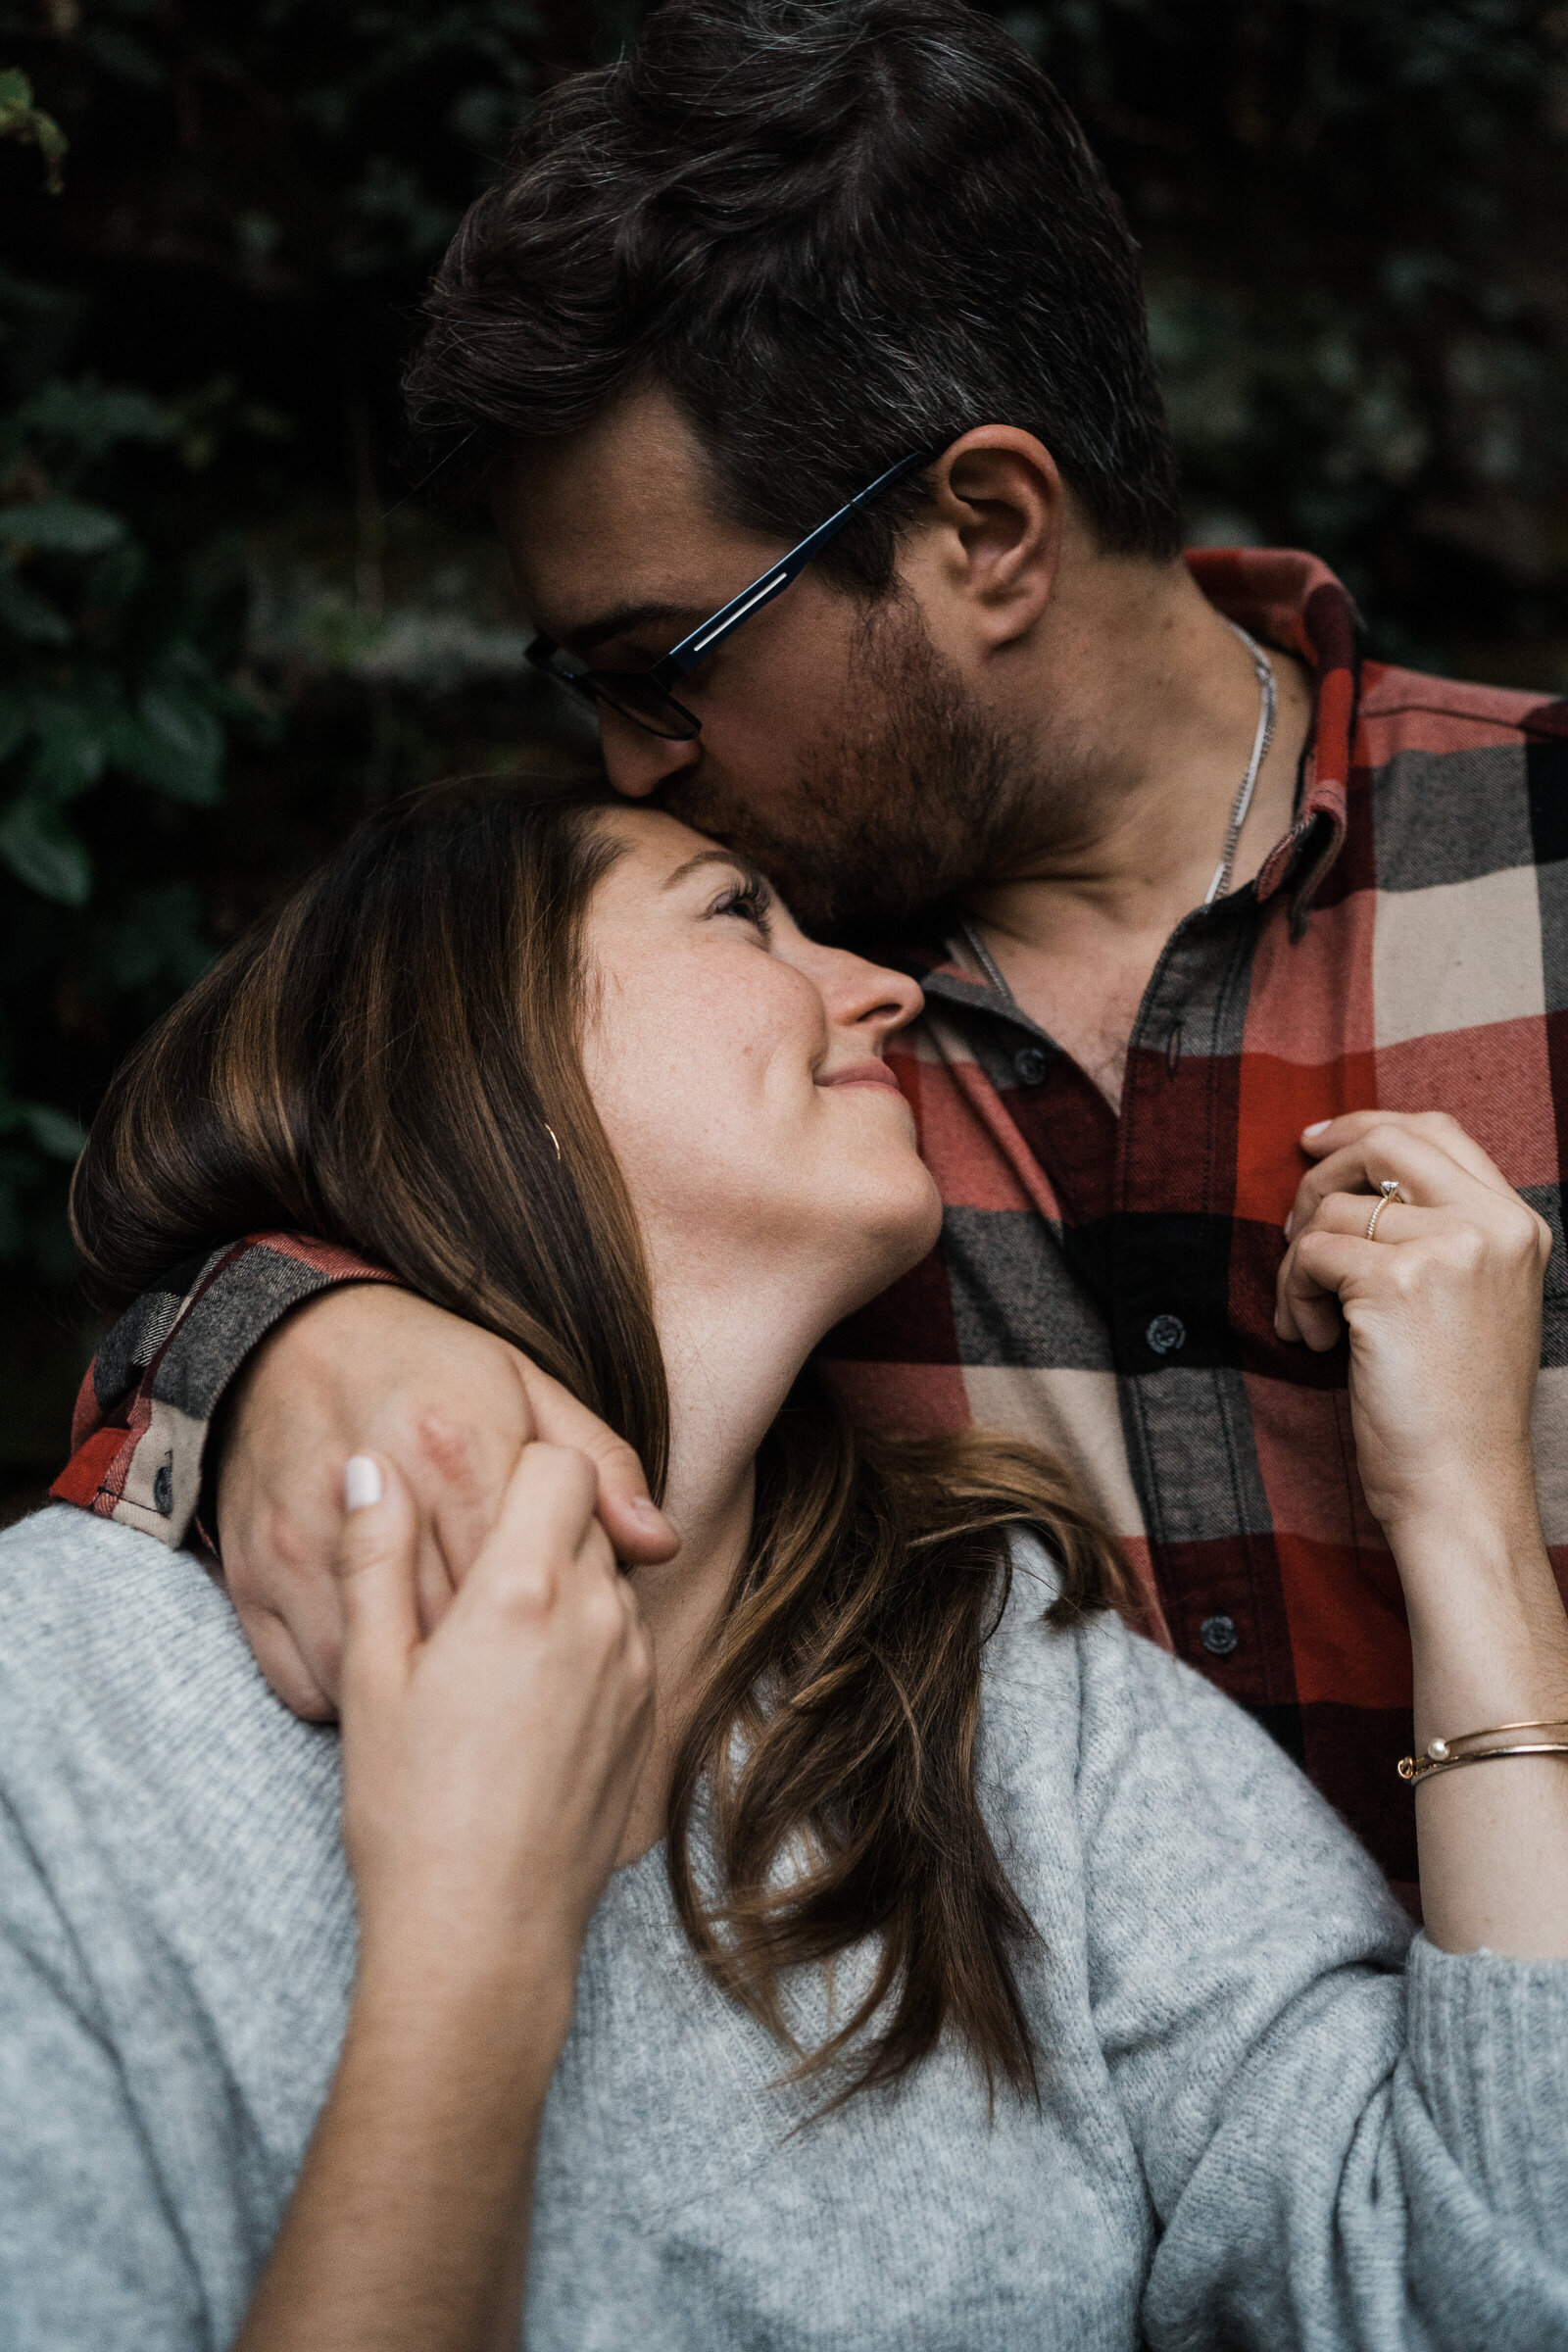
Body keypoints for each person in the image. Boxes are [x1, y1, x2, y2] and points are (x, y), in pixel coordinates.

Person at [49, 0, 1568, 1899]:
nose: (622, 759)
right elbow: (260, 1226)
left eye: (659, 662)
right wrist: (295, 1345)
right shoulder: (712, 1032)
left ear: (987, 531)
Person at [5, 776, 1568, 2351]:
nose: (884, 990)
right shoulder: (61, 1708)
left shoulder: (1003, 1691)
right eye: (737, 912)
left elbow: (1487, 2293)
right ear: (474, 1041)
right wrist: (474, 1932)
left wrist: (1463, 1517)